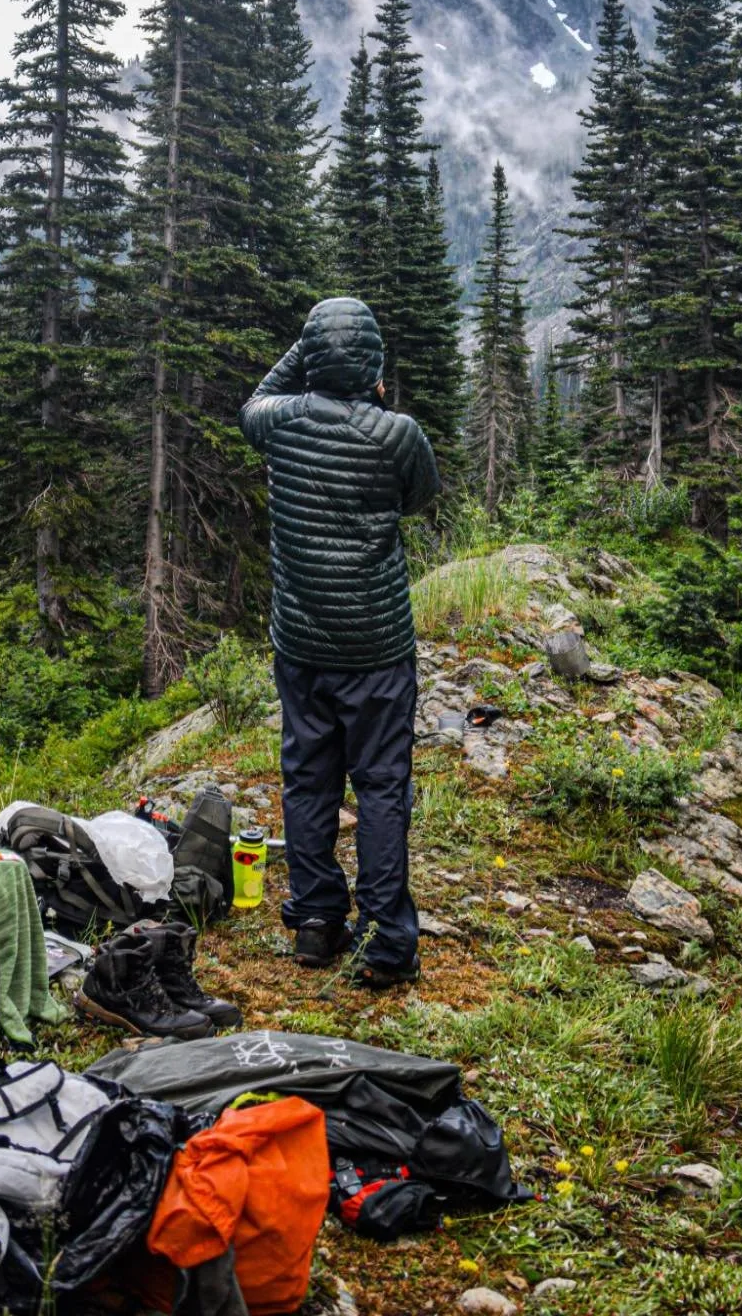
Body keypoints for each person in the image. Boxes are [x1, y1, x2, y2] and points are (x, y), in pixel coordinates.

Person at [239, 296, 440, 989]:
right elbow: (418, 499)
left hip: (301, 642)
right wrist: (360, 384)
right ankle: (386, 944)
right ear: (374, 365)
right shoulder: (398, 434)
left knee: (308, 778)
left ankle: (318, 923)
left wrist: (309, 357)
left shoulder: (281, 423)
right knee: (382, 787)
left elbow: (256, 398)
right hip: (378, 646)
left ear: (311, 360)